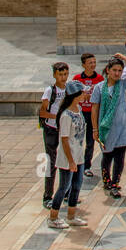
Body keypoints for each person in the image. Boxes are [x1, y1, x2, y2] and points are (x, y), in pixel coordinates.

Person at [92, 52, 126, 199]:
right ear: (108, 71)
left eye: (119, 70)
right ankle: (107, 180)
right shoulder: (99, 88)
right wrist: (95, 128)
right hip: (106, 128)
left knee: (120, 157)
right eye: (114, 70)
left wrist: (124, 58)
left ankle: (115, 183)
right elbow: (95, 108)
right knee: (107, 156)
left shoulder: (122, 85)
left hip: (122, 127)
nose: (117, 73)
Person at [47, 81, 89, 231]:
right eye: (83, 92)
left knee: (76, 186)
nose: (85, 95)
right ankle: (53, 217)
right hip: (68, 158)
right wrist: (71, 161)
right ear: (75, 95)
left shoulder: (79, 110)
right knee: (64, 187)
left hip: (78, 156)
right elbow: (64, 140)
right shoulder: (66, 116)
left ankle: (71, 216)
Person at [38, 61, 70, 208]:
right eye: (60, 74)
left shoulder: (70, 89)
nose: (63, 77)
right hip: (52, 129)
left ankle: (66, 192)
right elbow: (43, 112)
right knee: (51, 162)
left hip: (65, 129)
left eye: (65, 74)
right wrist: (57, 116)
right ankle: (47, 195)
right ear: (54, 75)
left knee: (67, 159)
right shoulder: (50, 91)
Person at [72, 52, 104, 178]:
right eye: (90, 63)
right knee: (77, 140)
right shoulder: (77, 79)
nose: (93, 65)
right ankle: (75, 162)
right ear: (83, 64)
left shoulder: (100, 79)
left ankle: (87, 166)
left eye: (94, 62)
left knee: (90, 141)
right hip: (80, 114)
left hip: (92, 114)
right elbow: (71, 96)